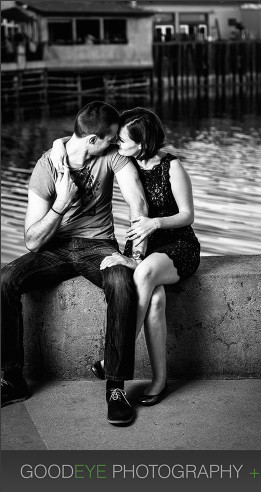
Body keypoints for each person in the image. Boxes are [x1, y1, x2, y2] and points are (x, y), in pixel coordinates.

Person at [0, 101, 148, 426]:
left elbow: (136, 200)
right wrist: (62, 204)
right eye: (109, 139)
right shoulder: (47, 167)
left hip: (98, 247)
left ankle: (115, 388)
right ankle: (13, 378)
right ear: (92, 139)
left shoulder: (110, 156)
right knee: (5, 279)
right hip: (55, 248)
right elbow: (32, 240)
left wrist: (133, 254)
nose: (116, 144)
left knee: (123, 281)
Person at [50, 108, 200, 406]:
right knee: (155, 299)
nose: (116, 145)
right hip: (145, 247)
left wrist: (154, 224)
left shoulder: (172, 166)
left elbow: (187, 215)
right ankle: (159, 381)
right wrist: (57, 146)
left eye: (122, 141)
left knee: (143, 274)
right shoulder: (125, 160)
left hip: (178, 246)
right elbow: (83, 139)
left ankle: (112, 361)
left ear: (142, 143)